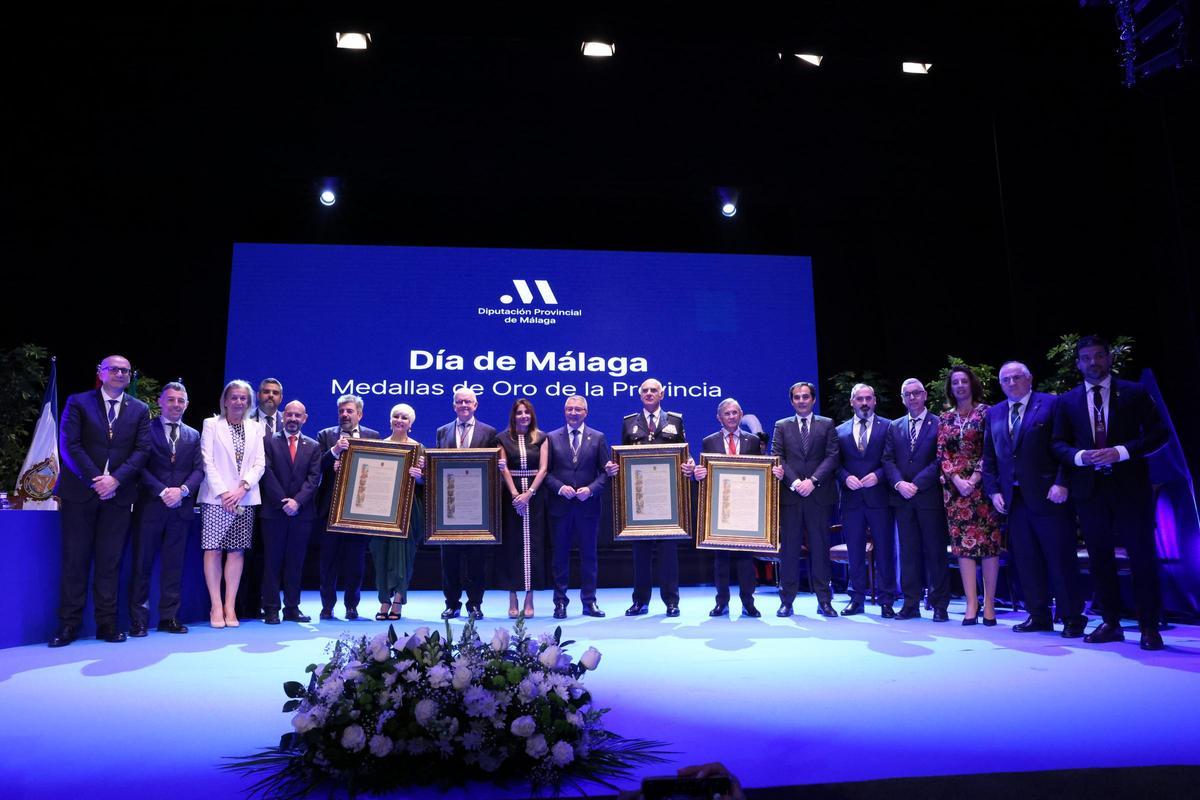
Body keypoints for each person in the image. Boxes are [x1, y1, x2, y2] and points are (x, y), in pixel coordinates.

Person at [1052, 335, 1169, 650]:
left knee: (1142, 557)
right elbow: (1058, 444)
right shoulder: (1067, 401)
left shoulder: (1134, 392)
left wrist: (1121, 451)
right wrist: (1080, 457)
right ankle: (1111, 623)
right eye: (1086, 358)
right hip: (1089, 491)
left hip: (1130, 488)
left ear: (1109, 358)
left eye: (1099, 356)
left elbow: (1160, 433)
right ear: (1078, 364)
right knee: (1099, 558)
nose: (1093, 362)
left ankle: (1149, 627)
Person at [50, 354, 152, 647]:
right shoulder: (78, 402)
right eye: (114, 369)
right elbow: (69, 445)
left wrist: (116, 480)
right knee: (75, 561)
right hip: (80, 494)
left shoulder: (140, 409)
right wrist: (97, 480)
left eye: (125, 371)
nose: (120, 374)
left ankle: (107, 624)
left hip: (118, 496)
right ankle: (68, 625)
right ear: (101, 373)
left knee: (110, 563)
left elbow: (142, 451)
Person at [983, 362, 1084, 637]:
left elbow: (1066, 446)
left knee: (1060, 559)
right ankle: (1038, 615)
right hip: (1013, 501)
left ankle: (1072, 617)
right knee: (1026, 561)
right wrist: (993, 491)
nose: (1011, 383)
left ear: (1029, 379)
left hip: (1050, 496)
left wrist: (1062, 482)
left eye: (1017, 377)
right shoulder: (994, 412)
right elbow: (989, 457)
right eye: (1006, 379)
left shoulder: (1052, 404)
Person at [690, 398, 783, 618]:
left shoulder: (753, 441)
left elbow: (762, 471)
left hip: (746, 509)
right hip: (720, 509)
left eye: (734, 413)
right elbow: (705, 472)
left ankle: (748, 603)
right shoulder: (709, 441)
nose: (731, 417)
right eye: (727, 413)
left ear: (741, 414)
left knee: (745, 559)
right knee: (720, 559)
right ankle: (721, 602)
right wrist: (698, 474)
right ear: (719, 418)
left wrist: (775, 473)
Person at [606, 378, 687, 617]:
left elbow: (684, 453)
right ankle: (640, 601)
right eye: (645, 390)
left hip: (666, 499)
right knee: (640, 553)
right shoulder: (629, 422)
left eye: (654, 390)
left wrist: (689, 464)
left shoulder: (675, 420)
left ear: (662, 394)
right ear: (640, 395)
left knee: (668, 553)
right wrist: (614, 467)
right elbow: (622, 458)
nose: (649, 393)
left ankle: (671, 601)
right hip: (639, 500)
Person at [129, 381, 203, 637]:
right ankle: (138, 620)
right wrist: (163, 491)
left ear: (187, 405)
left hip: (180, 510)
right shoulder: (145, 430)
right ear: (160, 402)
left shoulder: (193, 435)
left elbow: (199, 470)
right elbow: (139, 466)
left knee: (174, 567)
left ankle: (168, 618)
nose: (176, 405)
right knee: (142, 565)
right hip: (150, 507)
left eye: (181, 401)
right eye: (171, 400)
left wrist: (182, 491)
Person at [937, 366, 1002, 625]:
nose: (960, 386)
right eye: (955, 382)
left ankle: (990, 604)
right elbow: (942, 453)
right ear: (950, 388)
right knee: (962, 548)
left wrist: (974, 479)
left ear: (971, 384)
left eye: (964, 381)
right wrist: (957, 480)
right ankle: (971, 603)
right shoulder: (945, 417)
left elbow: (992, 449)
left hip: (983, 488)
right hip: (955, 492)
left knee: (988, 546)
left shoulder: (987, 412)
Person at [882, 378, 952, 622]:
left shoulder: (939, 423)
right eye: (907, 394)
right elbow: (887, 459)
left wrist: (917, 484)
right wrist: (899, 484)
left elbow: (940, 458)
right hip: (902, 498)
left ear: (925, 395)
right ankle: (910, 603)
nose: (912, 397)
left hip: (928, 497)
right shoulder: (894, 426)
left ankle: (939, 604)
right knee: (908, 553)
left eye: (916, 393)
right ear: (902, 399)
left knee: (935, 552)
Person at [198, 379, 266, 628]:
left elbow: (260, 463)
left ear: (249, 402)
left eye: (243, 398)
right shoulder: (211, 424)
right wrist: (224, 493)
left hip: (244, 498)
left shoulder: (256, 427)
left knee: (236, 552)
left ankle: (230, 605)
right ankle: (216, 606)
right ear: (225, 401)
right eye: (234, 397)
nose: (238, 402)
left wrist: (241, 489)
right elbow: (207, 461)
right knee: (213, 550)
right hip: (216, 498)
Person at [771, 381, 840, 617]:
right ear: (792, 401)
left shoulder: (827, 424)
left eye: (805, 396)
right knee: (789, 551)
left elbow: (832, 457)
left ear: (813, 399)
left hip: (818, 496)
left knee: (820, 550)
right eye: (797, 397)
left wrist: (813, 481)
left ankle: (824, 601)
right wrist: (795, 483)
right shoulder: (781, 426)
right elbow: (777, 457)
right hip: (791, 496)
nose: (801, 400)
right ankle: (786, 601)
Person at [315, 394, 381, 620]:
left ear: (359, 414)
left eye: (349, 411)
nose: (345, 414)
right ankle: (327, 606)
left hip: (359, 510)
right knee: (328, 562)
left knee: (355, 562)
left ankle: (352, 605)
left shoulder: (373, 436)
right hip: (330, 509)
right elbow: (316, 467)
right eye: (341, 411)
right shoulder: (325, 435)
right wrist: (333, 452)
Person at [435, 387, 499, 620]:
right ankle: (452, 604)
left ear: (475, 405)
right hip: (449, 506)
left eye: (468, 402)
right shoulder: (442, 431)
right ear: (454, 406)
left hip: (476, 507)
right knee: (449, 559)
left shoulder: (489, 432)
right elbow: (437, 466)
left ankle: (474, 604)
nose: (464, 405)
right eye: (460, 402)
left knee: (476, 559)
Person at [543, 395, 609, 619]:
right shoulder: (551, 438)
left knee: (589, 556)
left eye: (578, 409)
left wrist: (590, 490)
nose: (573, 413)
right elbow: (545, 473)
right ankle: (560, 603)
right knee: (559, 557)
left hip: (588, 507)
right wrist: (560, 488)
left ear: (585, 413)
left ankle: (589, 602)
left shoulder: (598, 437)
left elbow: (605, 474)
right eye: (569, 409)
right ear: (564, 412)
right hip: (560, 507)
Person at [834, 384, 897, 617]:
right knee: (855, 551)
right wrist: (845, 477)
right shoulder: (839, 430)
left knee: (885, 550)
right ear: (852, 402)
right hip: (851, 500)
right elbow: (834, 463)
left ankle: (886, 600)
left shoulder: (888, 427)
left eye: (868, 398)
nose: (864, 403)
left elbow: (893, 459)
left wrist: (879, 476)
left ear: (875, 401)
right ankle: (856, 598)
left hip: (880, 498)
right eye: (859, 399)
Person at [259, 400, 322, 624]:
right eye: (290, 414)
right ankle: (271, 608)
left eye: (298, 415)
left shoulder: (313, 446)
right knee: (272, 562)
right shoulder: (268, 441)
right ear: (283, 416)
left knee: (295, 562)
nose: (293, 419)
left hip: (302, 514)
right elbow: (266, 473)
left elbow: (314, 479)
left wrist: (297, 502)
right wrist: (284, 502)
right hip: (273, 512)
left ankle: (292, 608)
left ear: (305, 418)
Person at [368, 403, 426, 621]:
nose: (399, 420)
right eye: (396, 416)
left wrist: (419, 476)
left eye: (404, 417)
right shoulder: (379, 446)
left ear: (411, 424)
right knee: (380, 553)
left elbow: (427, 483)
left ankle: (398, 600)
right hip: (381, 510)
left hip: (409, 512)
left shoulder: (419, 449)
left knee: (403, 557)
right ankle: (384, 600)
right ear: (390, 420)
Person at [497, 398, 549, 618]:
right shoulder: (502, 438)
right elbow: (503, 468)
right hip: (511, 495)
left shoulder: (541, 437)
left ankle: (529, 597)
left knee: (534, 546)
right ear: (513, 416)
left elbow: (544, 468)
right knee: (512, 546)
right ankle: (512, 597)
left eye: (527, 413)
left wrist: (529, 494)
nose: (523, 416)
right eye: (519, 413)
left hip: (535, 496)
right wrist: (515, 495)